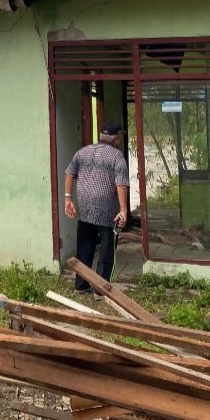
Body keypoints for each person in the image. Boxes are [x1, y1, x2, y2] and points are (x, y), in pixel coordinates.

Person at [64, 120, 130, 292]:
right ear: (117, 138)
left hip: (85, 209)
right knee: (107, 251)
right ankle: (101, 290)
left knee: (85, 248)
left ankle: (81, 285)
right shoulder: (117, 157)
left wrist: (67, 198)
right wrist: (123, 210)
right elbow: (121, 183)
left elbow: (69, 172)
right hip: (108, 212)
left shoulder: (82, 152)